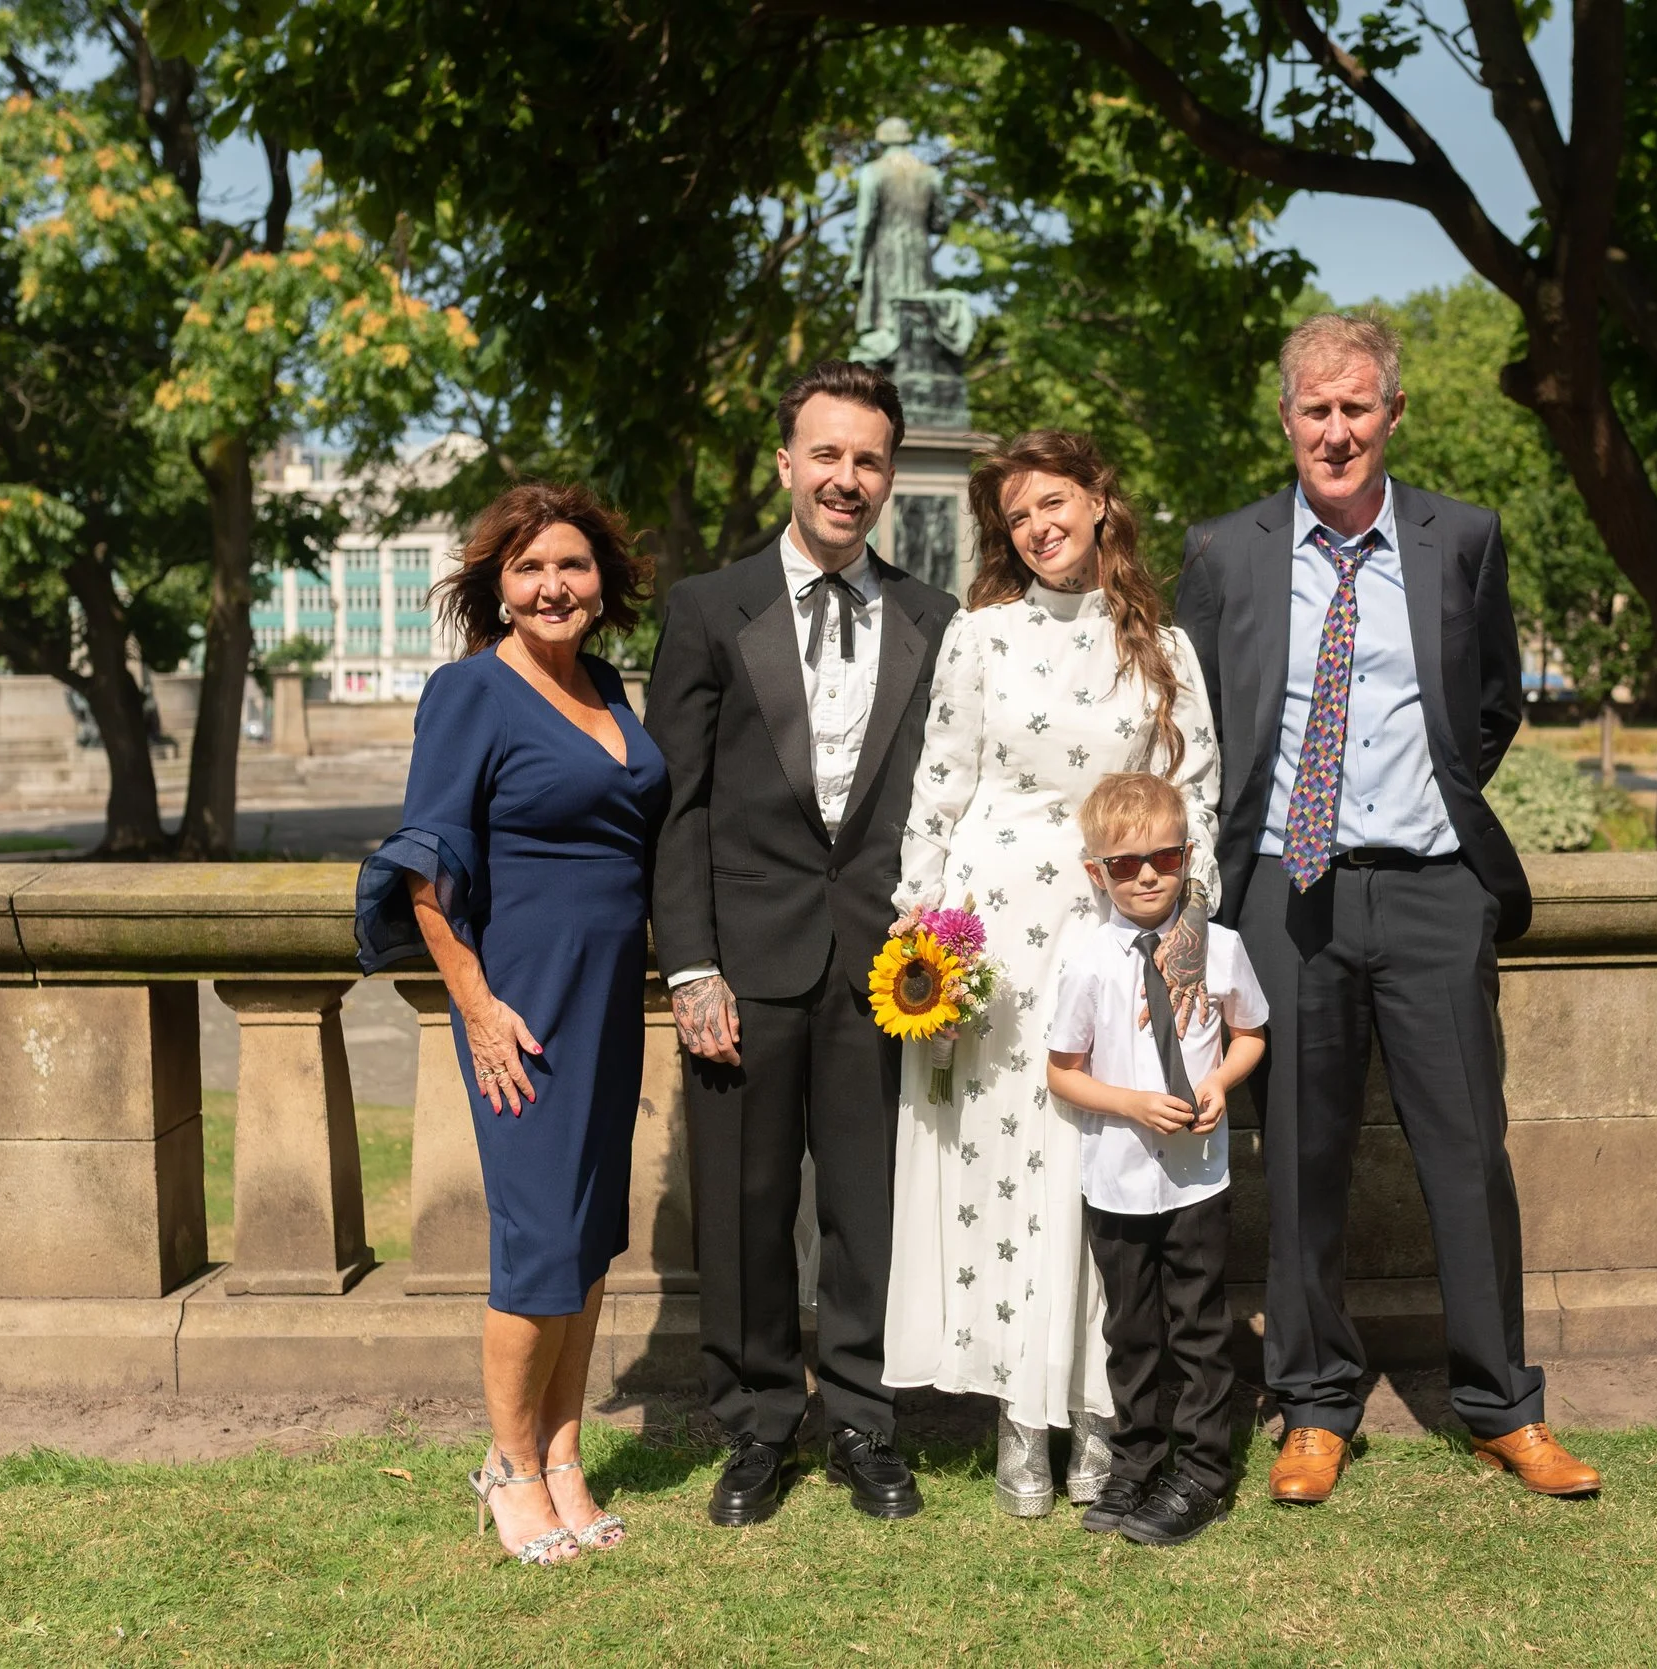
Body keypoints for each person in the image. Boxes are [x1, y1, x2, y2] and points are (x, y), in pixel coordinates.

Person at [1174, 313, 1602, 1503]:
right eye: (1315, 409)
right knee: (1299, 1158)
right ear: (1286, 420)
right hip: (1283, 895)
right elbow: (1195, 725)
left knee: (1466, 1153)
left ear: (1392, 415)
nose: (1336, 429)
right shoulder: (1225, 551)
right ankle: (1314, 1406)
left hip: (1428, 888)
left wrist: (1433, 816)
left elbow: (1493, 705)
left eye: (1356, 407)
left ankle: (1501, 1407)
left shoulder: (1461, 537)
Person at [883, 428, 1222, 1517]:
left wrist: (1182, 942)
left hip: (1114, 930)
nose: (1038, 526)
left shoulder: (1161, 645)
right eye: (1017, 515)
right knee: (1008, 1178)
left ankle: (1102, 1411)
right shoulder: (977, 638)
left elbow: (1195, 798)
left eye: (1054, 502)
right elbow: (938, 792)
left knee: (1106, 1177)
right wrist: (922, 945)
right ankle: (1017, 1420)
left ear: (1100, 504)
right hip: (995, 942)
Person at [648, 360, 958, 1527]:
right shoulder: (704, 609)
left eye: (868, 459)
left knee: (871, 1208)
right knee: (743, 1204)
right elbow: (671, 809)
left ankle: (868, 1425)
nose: (846, 477)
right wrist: (689, 963)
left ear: (889, 475)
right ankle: (757, 1423)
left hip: (886, 972)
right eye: (825, 454)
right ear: (786, 462)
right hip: (740, 961)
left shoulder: (936, 621)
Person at [353, 482, 667, 1567]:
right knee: (537, 1238)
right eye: (529, 568)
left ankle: (564, 1457)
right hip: (522, 1002)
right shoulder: (470, 693)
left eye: (572, 566)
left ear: (603, 583)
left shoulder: (607, 686)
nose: (552, 585)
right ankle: (506, 1464)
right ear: (496, 585)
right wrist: (477, 1007)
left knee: (585, 1237)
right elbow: (427, 866)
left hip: (608, 994)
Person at [1047, 771, 1267, 1547]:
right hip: (1116, 1179)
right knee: (1132, 1333)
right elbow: (1061, 1069)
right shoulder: (1087, 961)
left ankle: (1203, 1469)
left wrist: (1217, 1081)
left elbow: (1251, 1035)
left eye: (1165, 859)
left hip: (1197, 1178)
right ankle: (1137, 1461)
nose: (1146, 876)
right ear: (1095, 872)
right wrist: (1133, 1103)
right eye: (1125, 863)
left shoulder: (1222, 948)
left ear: (1188, 857)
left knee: (1200, 1328)